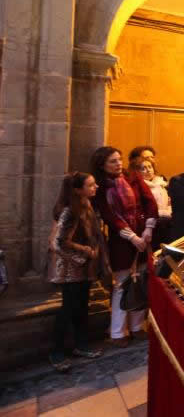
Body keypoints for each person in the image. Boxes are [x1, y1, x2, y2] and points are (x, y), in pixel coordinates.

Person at [91, 147, 158, 347]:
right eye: (113, 161)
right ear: (102, 165)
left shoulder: (134, 177)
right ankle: (118, 332)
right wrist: (132, 237)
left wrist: (148, 230)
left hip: (144, 236)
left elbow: (150, 203)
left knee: (141, 282)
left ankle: (137, 327)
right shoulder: (101, 187)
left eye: (119, 159)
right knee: (122, 284)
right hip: (121, 241)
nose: (118, 164)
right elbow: (109, 216)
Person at [48, 172, 106, 371]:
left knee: (81, 307)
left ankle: (81, 345)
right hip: (71, 269)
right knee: (67, 310)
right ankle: (56, 352)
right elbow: (59, 243)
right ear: (77, 190)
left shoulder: (86, 206)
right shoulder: (69, 211)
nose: (95, 187)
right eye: (91, 185)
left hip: (84, 268)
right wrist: (85, 253)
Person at [136, 157, 172, 250]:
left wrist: (169, 211)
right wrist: (163, 213)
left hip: (165, 221)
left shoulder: (160, 183)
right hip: (150, 225)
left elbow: (168, 201)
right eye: (143, 168)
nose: (148, 170)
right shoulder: (139, 186)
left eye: (150, 167)